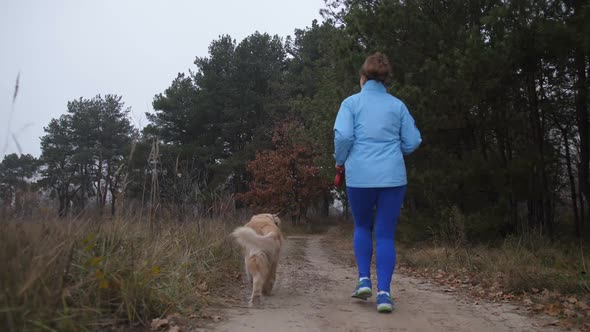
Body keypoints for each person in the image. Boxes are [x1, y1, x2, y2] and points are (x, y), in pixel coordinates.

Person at [333, 52, 422, 313]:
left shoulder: (350, 104)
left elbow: (344, 135)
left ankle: (363, 280)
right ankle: (384, 294)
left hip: (360, 176)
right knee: (384, 234)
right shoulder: (397, 106)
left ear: (362, 78)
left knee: (362, 226)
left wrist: (341, 160)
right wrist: (396, 152)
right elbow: (413, 141)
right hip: (393, 177)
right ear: (385, 81)